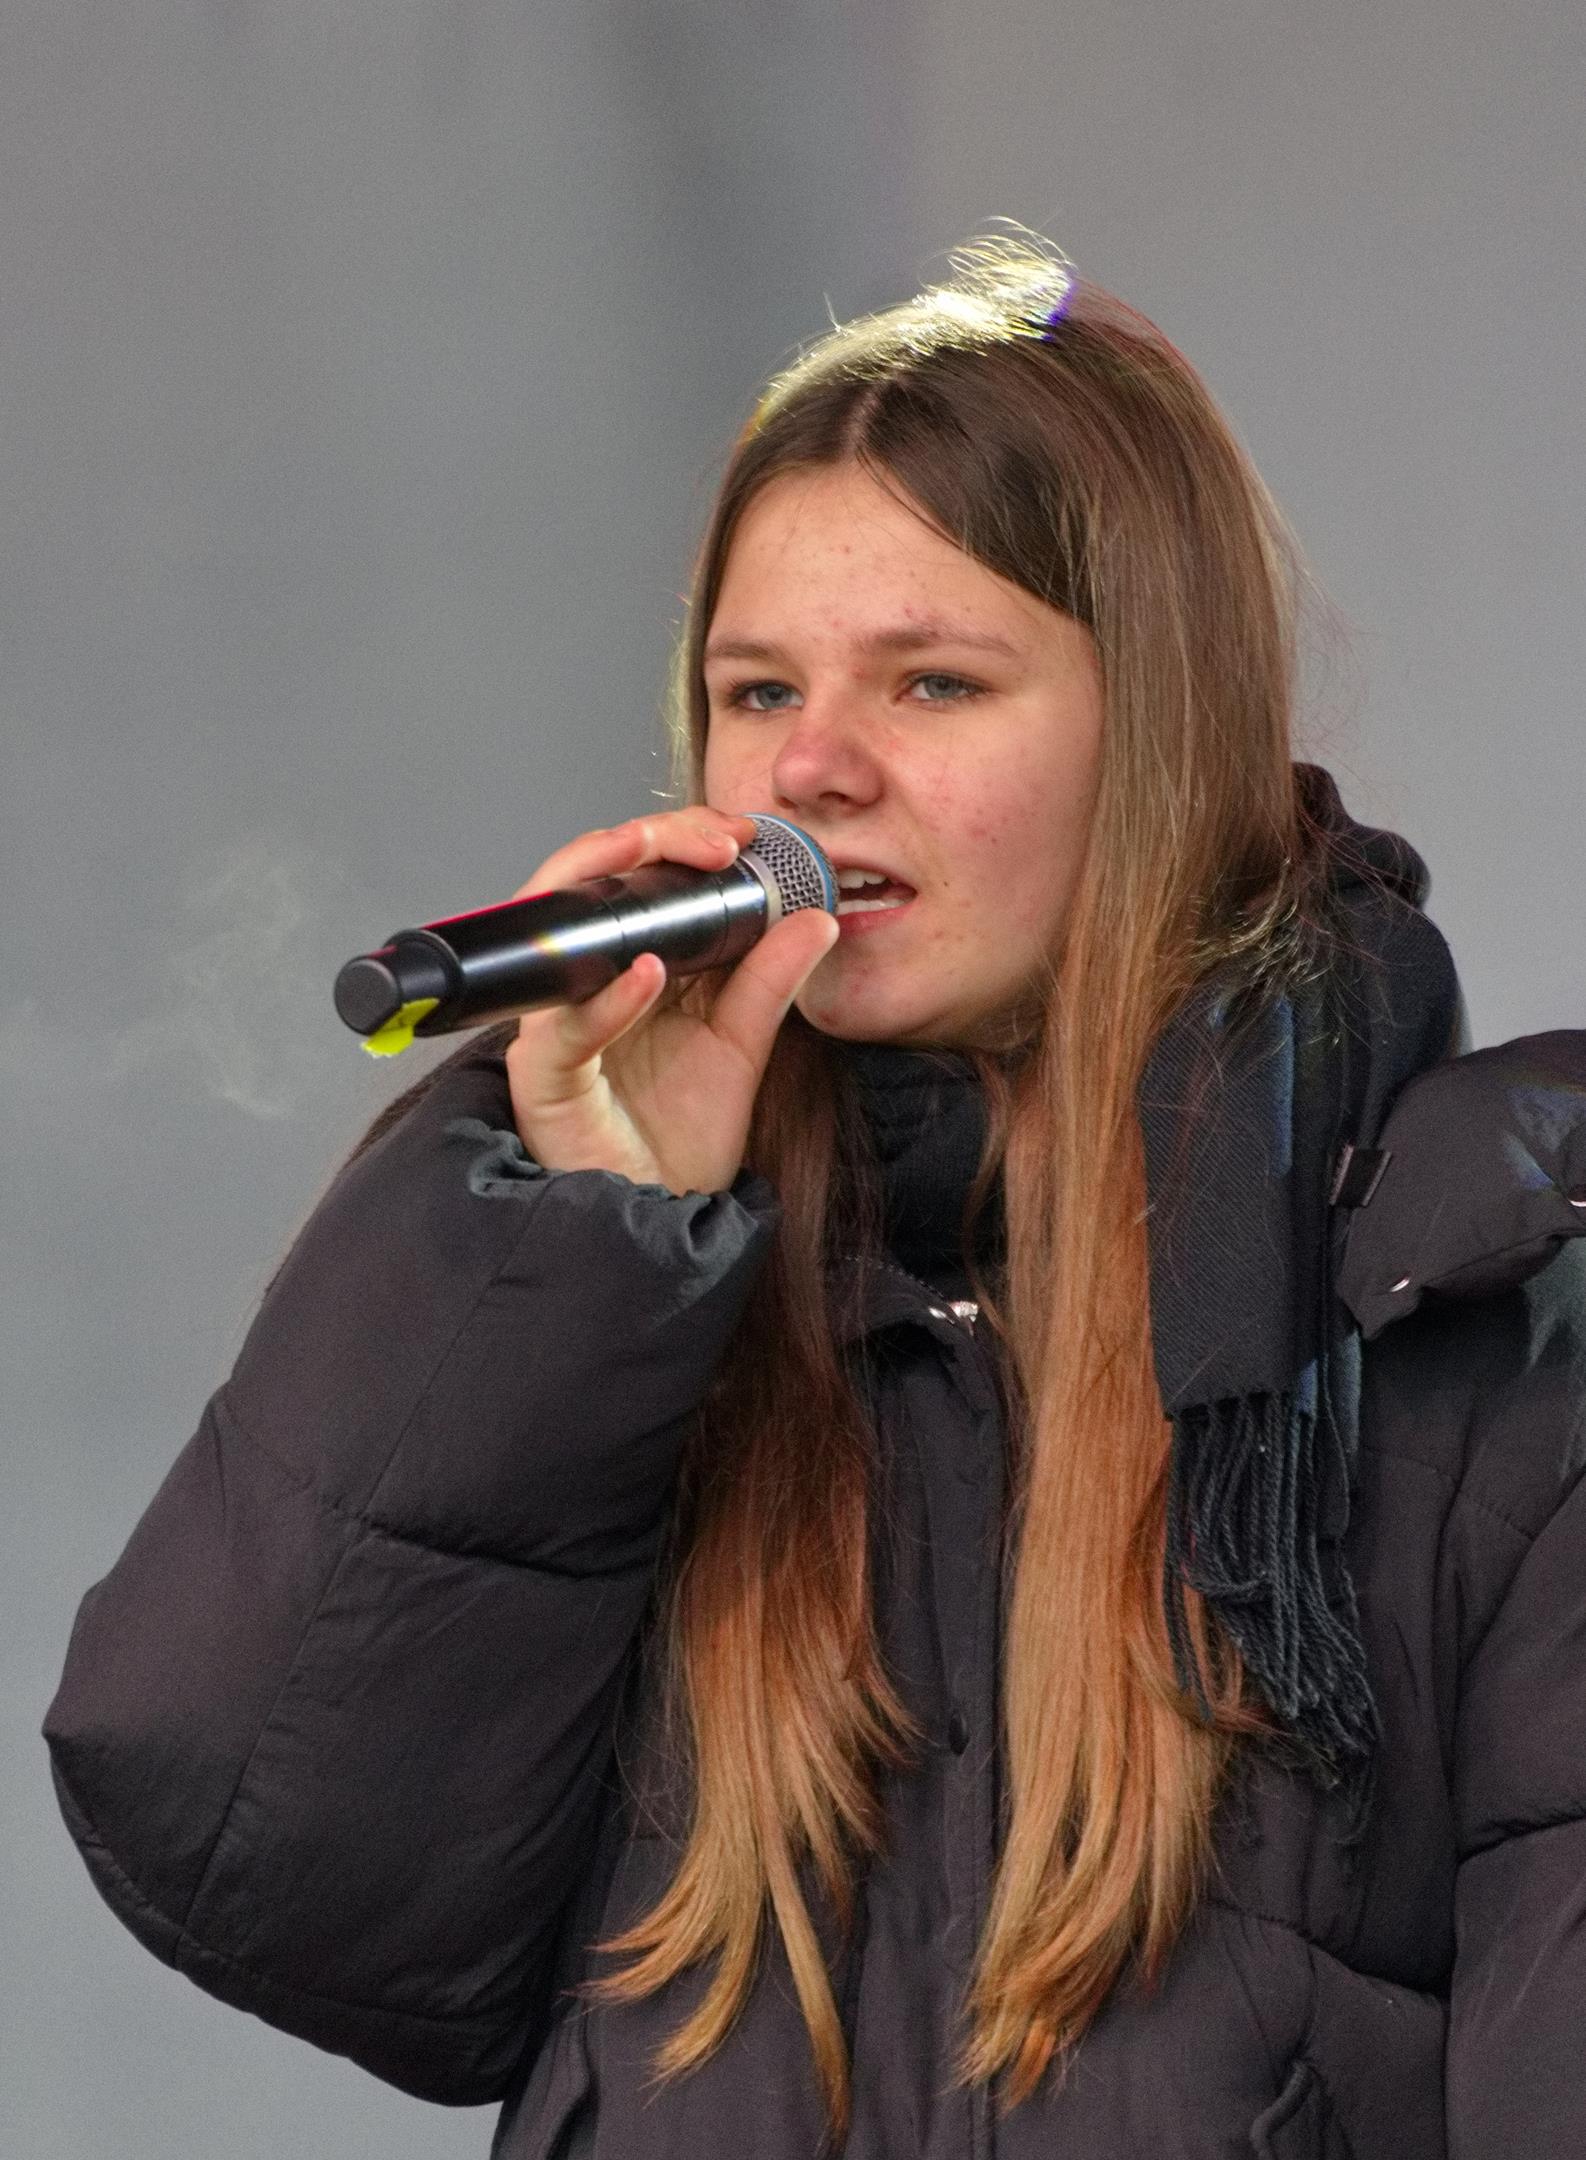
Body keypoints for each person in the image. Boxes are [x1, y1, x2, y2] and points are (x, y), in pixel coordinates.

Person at [44, 238, 1586, 2159]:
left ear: (1161, 732)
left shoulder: (1484, 1310)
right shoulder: (643, 1305)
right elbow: (268, 1867)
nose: (811, 770)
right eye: (755, 688)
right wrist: (576, 1254)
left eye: (933, 682)